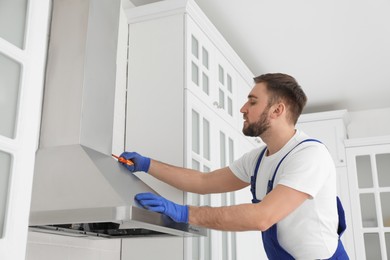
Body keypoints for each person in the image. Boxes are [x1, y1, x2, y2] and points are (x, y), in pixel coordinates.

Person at [119, 73, 349, 259]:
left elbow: (262, 217)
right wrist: (147, 165)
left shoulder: (310, 155)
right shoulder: (257, 159)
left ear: (277, 110)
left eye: (252, 101)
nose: (243, 108)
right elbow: (203, 182)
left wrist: (182, 212)